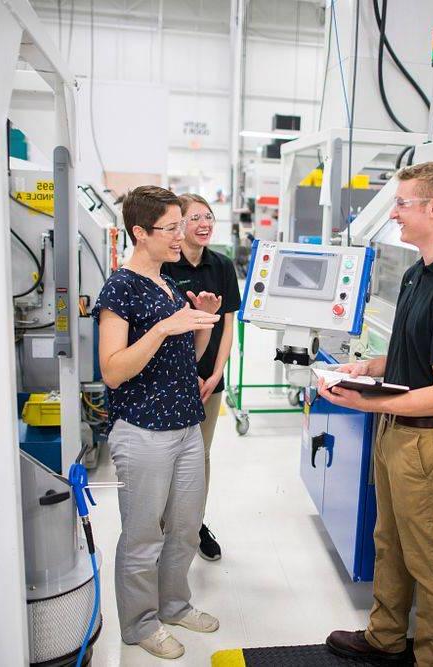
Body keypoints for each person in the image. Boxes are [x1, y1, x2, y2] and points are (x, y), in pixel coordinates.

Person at [318, 162, 433, 667]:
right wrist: (366, 368)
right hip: (396, 431)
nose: (393, 213)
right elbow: (412, 354)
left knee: (426, 558)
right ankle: (385, 637)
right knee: (388, 542)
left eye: (402, 204)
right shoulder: (420, 272)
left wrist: (369, 402)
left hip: (427, 442)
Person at [93, 185, 222, 660]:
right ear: (139, 232)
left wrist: (201, 321)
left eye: (180, 225)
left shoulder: (169, 285)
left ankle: (174, 604)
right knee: (144, 535)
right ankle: (140, 624)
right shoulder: (120, 289)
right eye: (170, 228)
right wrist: (163, 327)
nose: (180, 235)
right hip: (144, 431)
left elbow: (187, 359)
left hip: (186, 424)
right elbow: (113, 368)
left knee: (185, 527)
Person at [162, 193, 241, 561]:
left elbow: (228, 325)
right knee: (169, 456)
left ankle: (194, 525)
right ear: (179, 224)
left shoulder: (222, 265)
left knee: (201, 456)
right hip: (172, 379)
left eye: (208, 216)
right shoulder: (166, 266)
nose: (205, 223)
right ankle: (167, 529)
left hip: (210, 381)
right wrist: (186, 374)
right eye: (195, 218)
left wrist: (217, 372)